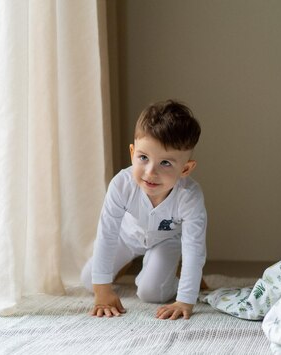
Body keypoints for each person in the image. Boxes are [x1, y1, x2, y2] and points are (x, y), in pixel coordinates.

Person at [81, 99, 207, 320]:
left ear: (185, 168)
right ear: (132, 153)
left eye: (166, 163)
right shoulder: (121, 185)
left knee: (151, 293)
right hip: (127, 236)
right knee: (89, 279)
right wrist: (103, 291)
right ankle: (126, 265)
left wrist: (185, 299)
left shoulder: (190, 197)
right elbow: (107, 234)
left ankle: (171, 273)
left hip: (167, 241)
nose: (150, 172)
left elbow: (194, 249)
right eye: (143, 158)